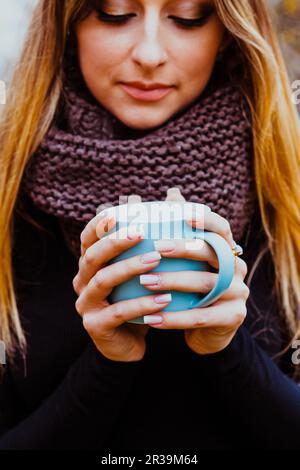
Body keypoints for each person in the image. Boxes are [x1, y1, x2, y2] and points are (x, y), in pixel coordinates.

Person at [0, 0, 299, 450]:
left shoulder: (289, 179)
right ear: (66, 27)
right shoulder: (7, 187)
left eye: (188, 17)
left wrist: (227, 349)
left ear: (227, 34)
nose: (150, 54)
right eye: (116, 14)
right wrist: (107, 363)